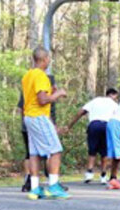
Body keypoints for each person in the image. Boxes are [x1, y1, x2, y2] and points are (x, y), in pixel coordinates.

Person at [21, 46, 69, 200]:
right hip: (38, 116)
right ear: (43, 59)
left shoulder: (27, 76)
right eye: (48, 58)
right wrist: (58, 94)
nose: (49, 61)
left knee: (34, 153)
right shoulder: (41, 75)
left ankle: (35, 188)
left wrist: (50, 91)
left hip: (28, 117)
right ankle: (54, 186)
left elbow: (35, 97)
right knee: (55, 150)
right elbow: (42, 100)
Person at [62, 88, 119, 184]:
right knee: (104, 152)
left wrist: (69, 125)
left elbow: (81, 112)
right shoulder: (114, 104)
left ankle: (89, 173)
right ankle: (103, 176)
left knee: (92, 150)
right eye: (116, 97)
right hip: (106, 125)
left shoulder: (95, 100)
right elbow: (118, 119)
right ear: (113, 95)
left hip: (94, 124)